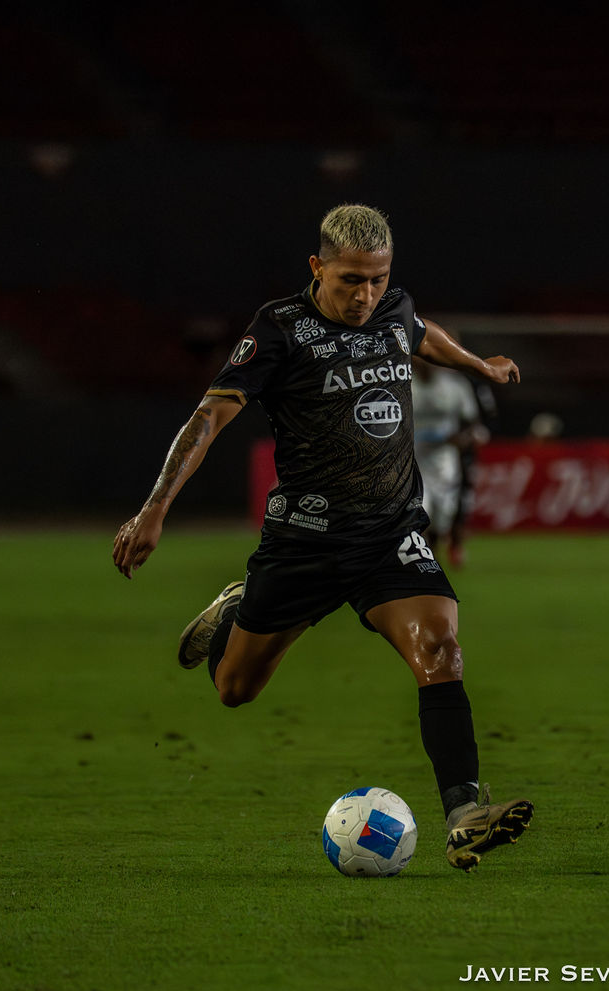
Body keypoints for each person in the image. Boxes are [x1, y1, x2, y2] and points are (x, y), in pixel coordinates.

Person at [112, 204, 532, 871]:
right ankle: (235, 607)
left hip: (391, 533)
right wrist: (155, 506)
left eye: (377, 279)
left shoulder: (393, 308)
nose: (366, 295)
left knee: (441, 650)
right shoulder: (279, 331)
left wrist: (477, 366)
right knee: (234, 689)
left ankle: (464, 812)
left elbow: (420, 333)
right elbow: (209, 416)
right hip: (305, 541)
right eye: (350, 281)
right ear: (317, 267)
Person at [411, 357, 490, 564]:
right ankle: (426, 558)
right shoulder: (403, 384)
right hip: (413, 459)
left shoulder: (454, 386)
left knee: (443, 514)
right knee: (421, 510)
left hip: (445, 461)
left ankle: (435, 550)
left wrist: (462, 439)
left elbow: (472, 422)